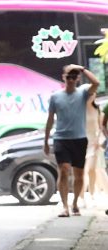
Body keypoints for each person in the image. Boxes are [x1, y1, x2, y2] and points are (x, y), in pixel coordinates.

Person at [44, 64, 99, 217]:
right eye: (68, 76)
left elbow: (96, 83)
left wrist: (81, 68)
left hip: (79, 139)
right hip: (61, 139)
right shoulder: (55, 97)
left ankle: (75, 203)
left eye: (74, 77)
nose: (71, 79)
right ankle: (64, 206)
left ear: (78, 79)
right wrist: (46, 140)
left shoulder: (82, 93)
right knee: (64, 170)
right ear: (63, 77)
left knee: (79, 175)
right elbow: (50, 119)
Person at [84, 98, 108, 203]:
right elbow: (103, 125)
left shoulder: (97, 109)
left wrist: (100, 139)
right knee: (86, 170)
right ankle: (82, 197)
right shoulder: (80, 109)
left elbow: (101, 125)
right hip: (85, 143)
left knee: (97, 170)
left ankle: (91, 194)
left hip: (95, 144)